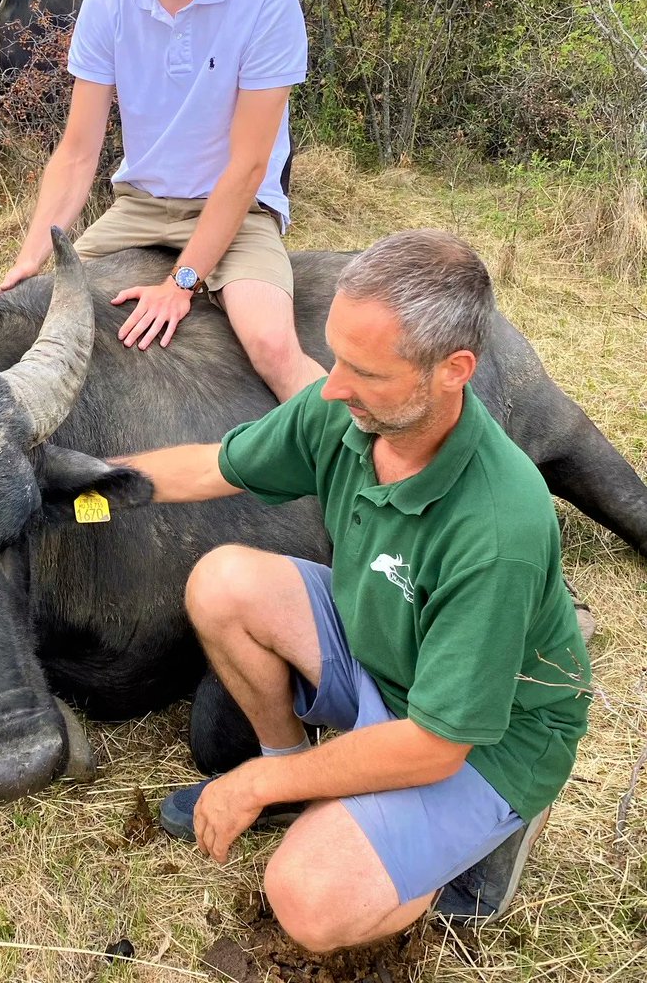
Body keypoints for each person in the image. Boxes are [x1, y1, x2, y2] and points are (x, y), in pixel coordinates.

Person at [116, 229, 591, 952]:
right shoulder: (344, 409)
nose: (332, 386)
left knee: (308, 900)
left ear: (452, 370)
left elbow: (436, 745)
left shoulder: (498, 526)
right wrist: (90, 478)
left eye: (365, 371)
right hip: (388, 651)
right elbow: (216, 466)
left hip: (483, 740)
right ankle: (290, 769)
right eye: (336, 355)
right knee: (223, 580)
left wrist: (247, 790)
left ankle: (464, 854)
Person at [0, 0, 325, 400]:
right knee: (34, 319)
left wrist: (183, 281)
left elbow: (249, 166)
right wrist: (31, 255)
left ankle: (369, 471)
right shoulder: (108, 0)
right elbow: (76, 152)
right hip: (139, 207)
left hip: (240, 212)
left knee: (274, 349)